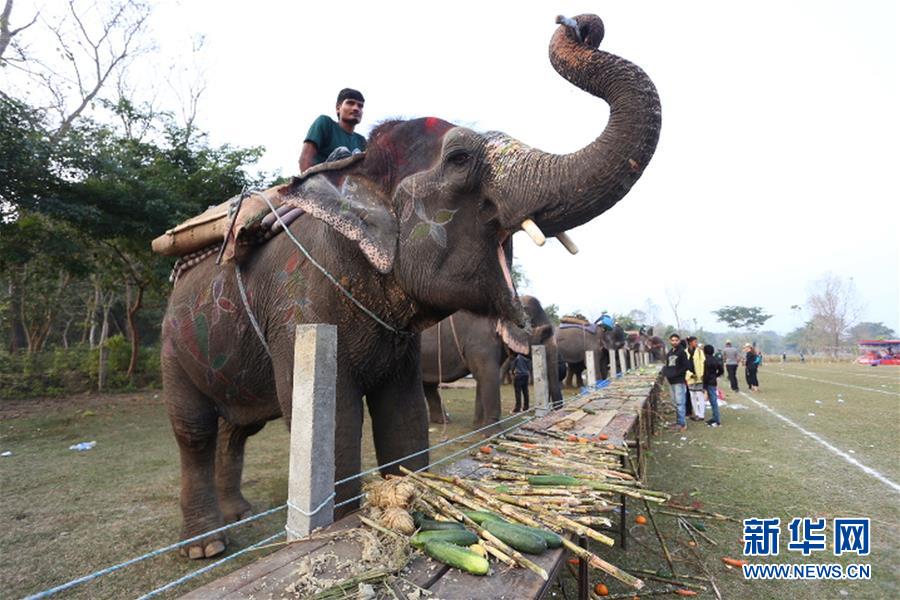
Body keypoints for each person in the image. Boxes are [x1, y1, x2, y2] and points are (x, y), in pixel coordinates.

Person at [298, 88, 367, 172]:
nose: (356, 108)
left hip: (350, 183)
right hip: (321, 180)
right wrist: (306, 182)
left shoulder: (361, 141)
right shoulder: (325, 123)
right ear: (338, 108)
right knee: (342, 152)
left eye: (360, 106)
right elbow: (305, 158)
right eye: (350, 103)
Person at [662, 333, 690, 432]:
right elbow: (667, 365)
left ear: (679, 341)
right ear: (670, 341)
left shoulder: (682, 352)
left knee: (680, 402)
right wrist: (666, 373)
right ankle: (678, 422)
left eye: (676, 340)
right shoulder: (670, 352)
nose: (674, 342)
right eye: (672, 340)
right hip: (671, 381)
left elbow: (686, 366)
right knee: (675, 402)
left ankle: (682, 424)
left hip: (679, 381)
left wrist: (676, 374)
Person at [702, 344, 724, 427]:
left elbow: (706, 374)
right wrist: (716, 375)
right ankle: (715, 417)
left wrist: (704, 385)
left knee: (713, 401)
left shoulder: (706, 361)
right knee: (712, 401)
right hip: (713, 381)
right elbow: (721, 370)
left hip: (708, 382)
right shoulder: (715, 360)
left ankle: (717, 419)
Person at [685, 336, 706, 421]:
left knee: (699, 395)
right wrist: (690, 374)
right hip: (690, 377)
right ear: (690, 342)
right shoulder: (685, 352)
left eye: (696, 342)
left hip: (699, 377)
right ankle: (696, 413)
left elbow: (703, 364)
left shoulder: (700, 352)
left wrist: (701, 374)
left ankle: (701, 414)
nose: (696, 343)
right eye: (694, 342)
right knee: (692, 396)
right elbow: (683, 365)